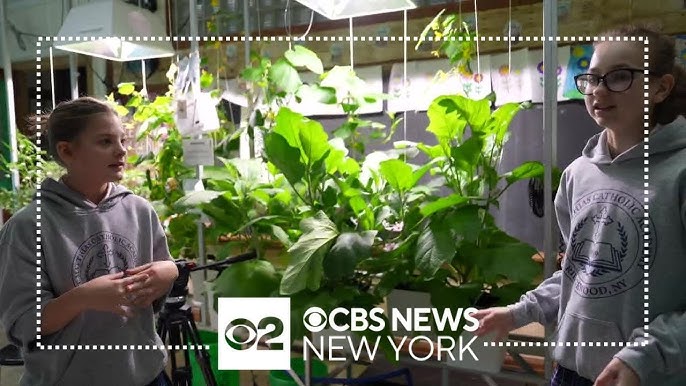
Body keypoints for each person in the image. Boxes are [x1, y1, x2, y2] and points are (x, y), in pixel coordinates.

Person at [474, 25, 686, 386]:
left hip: (649, 376)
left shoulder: (679, 172)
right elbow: (580, 273)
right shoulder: (577, 175)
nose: (599, 90)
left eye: (619, 77)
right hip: (570, 371)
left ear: (660, 87)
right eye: (591, 77)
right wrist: (516, 313)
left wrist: (645, 356)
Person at [0, 96, 179, 386]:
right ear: (67, 151)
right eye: (105, 141)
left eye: (122, 139)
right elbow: (23, 325)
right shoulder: (26, 227)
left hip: (145, 376)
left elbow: (162, 272)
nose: (121, 150)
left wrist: (169, 272)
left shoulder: (139, 210)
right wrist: (84, 298)